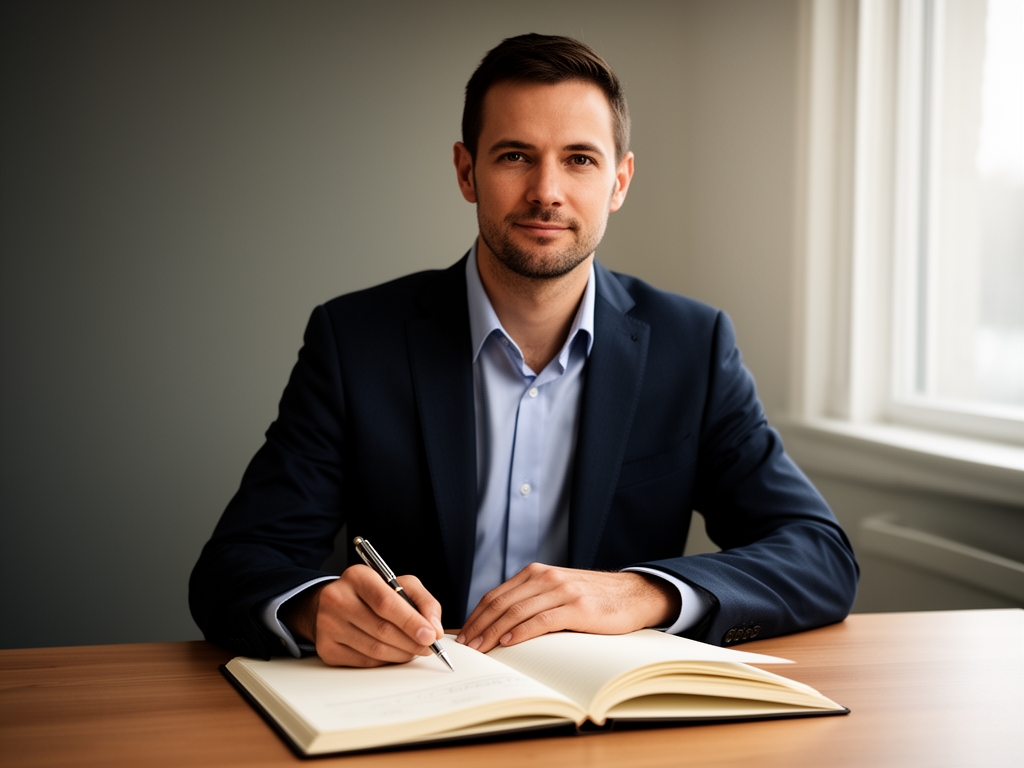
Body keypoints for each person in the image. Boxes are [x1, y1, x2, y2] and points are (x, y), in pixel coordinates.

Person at [189, 33, 858, 667]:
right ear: (466, 170)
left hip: (612, 721)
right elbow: (237, 563)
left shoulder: (693, 345)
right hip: (412, 702)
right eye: (514, 155)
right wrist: (313, 609)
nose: (546, 191)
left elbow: (819, 554)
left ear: (619, 181)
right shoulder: (355, 340)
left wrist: (639, 592)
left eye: (580, 159)